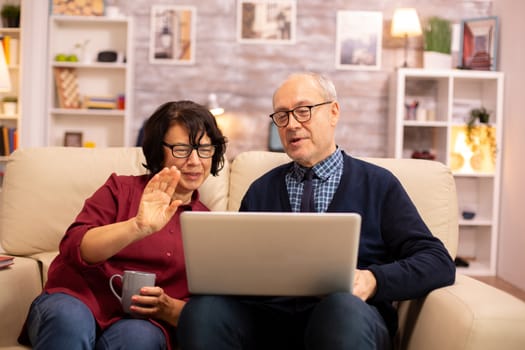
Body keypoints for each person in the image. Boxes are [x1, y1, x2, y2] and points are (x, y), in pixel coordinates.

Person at [177, 72, 456, 350]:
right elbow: (235, 266)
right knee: (203, 311)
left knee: (340, 309)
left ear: (333, 112)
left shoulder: (379, 185)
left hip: (346, 317)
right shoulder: (260, 190)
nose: (292, 124)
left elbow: (437, 261)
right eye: (282, 116)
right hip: (268, 321)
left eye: (303, 111)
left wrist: (373, 280)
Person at [19, 100, 227, 350]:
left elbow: (204, 313)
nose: (195, 160)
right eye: (182, 149)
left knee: (138, 339)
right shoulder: (120, 189)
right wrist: (137, 226)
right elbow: (76, 248)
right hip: (77, 300)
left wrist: (167, 307)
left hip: (142, 322)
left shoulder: (207, 224)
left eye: (204, 149)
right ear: (157, 150)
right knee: (69, 319)